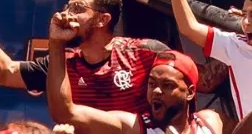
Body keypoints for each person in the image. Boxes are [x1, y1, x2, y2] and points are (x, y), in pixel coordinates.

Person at [0, 0, 167, 114]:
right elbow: (5, 72)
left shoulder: (146, 53)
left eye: (77, 9)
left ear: (102, 20)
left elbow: (195, 86)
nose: (66, 15)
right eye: (67, 8)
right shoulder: (62, 63)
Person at [45, 9, 224, 134]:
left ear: (190, 92)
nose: (156, 91)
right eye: (151, 83)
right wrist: (56, 43)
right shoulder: (133, 127)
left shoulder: (210, 122)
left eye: (168, 85)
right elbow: (65, 112)